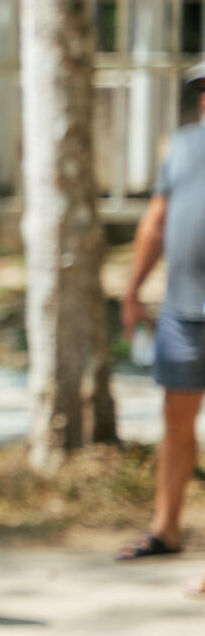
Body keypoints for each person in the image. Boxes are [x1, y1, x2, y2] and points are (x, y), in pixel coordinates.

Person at [117, 66, 205, 567]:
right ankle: (165, 529)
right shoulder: (184, 146)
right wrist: (132, 290)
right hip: (182, 310)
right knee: (175, 418)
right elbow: (156, 220)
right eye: (203, 91)